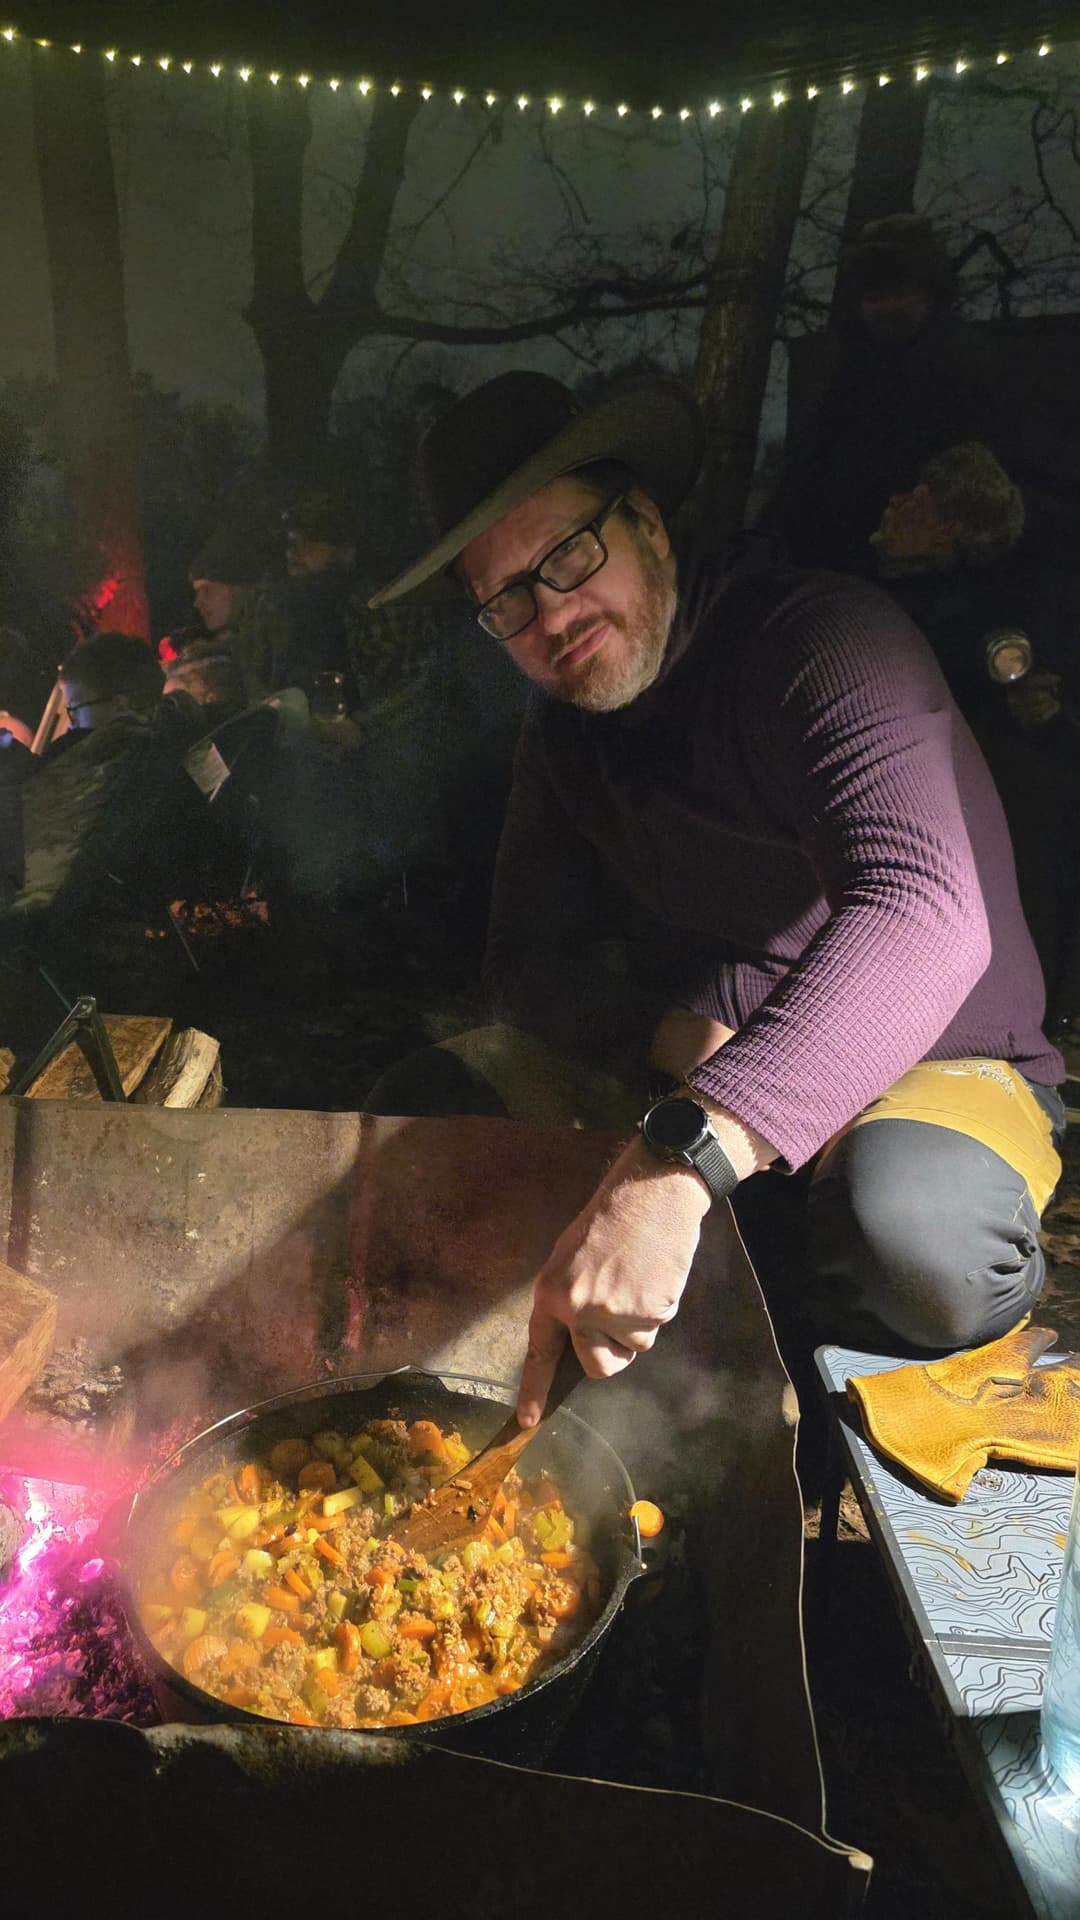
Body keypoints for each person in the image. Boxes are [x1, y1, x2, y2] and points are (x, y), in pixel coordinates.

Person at [366, 368, 1065, 1425]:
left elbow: (924, 911)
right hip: (713, 1074)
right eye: (506, 599)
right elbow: (524, 963)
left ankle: (936, 1294)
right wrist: (666, 1029)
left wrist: (680, 1154)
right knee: (429, 1109)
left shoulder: (823, 641)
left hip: (938, 1056)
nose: (552, 614)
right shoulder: (564, 739)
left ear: (645, 519)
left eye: (568, 553)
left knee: (911, 1237)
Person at [762, 214, 999, 575]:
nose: (885, 308)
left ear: (929, 292)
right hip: (824, 569)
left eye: (900, 291)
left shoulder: (961, 369)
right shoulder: (846, 371)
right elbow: (806, 471)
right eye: (874, 294)